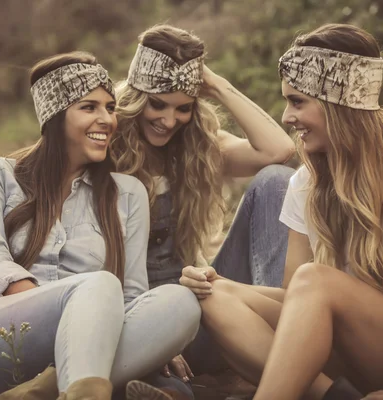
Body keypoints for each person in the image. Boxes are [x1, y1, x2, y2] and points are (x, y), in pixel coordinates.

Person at [180, 24, 383, 400]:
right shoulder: (307, 182)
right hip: (350, 348)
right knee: (211, 293)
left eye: (297, 102)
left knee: (317, 279)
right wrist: (218, 282)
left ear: (340, 104)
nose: (286, 117)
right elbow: (299, 300)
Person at [0, 51, 201, 400]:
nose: (106, 119)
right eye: (89, 107)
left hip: (85, 348)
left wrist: (158, 335)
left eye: (109, 107)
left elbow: (133, 295)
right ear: (54, 115)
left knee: (180, 302)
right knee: (97, 286)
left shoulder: (129, 194)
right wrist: (82, 319)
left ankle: (48, 388)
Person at [108, 24, 297, 399]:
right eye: (157, 103)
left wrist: (218, 87)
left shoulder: (196, 146)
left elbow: (278, 151)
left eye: (183, 108)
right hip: (134, 317)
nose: (168, 119)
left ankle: (291, 335)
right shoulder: (105, 144)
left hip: (204, 306)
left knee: (276, 180)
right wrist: (156, 332)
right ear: (135, 96)